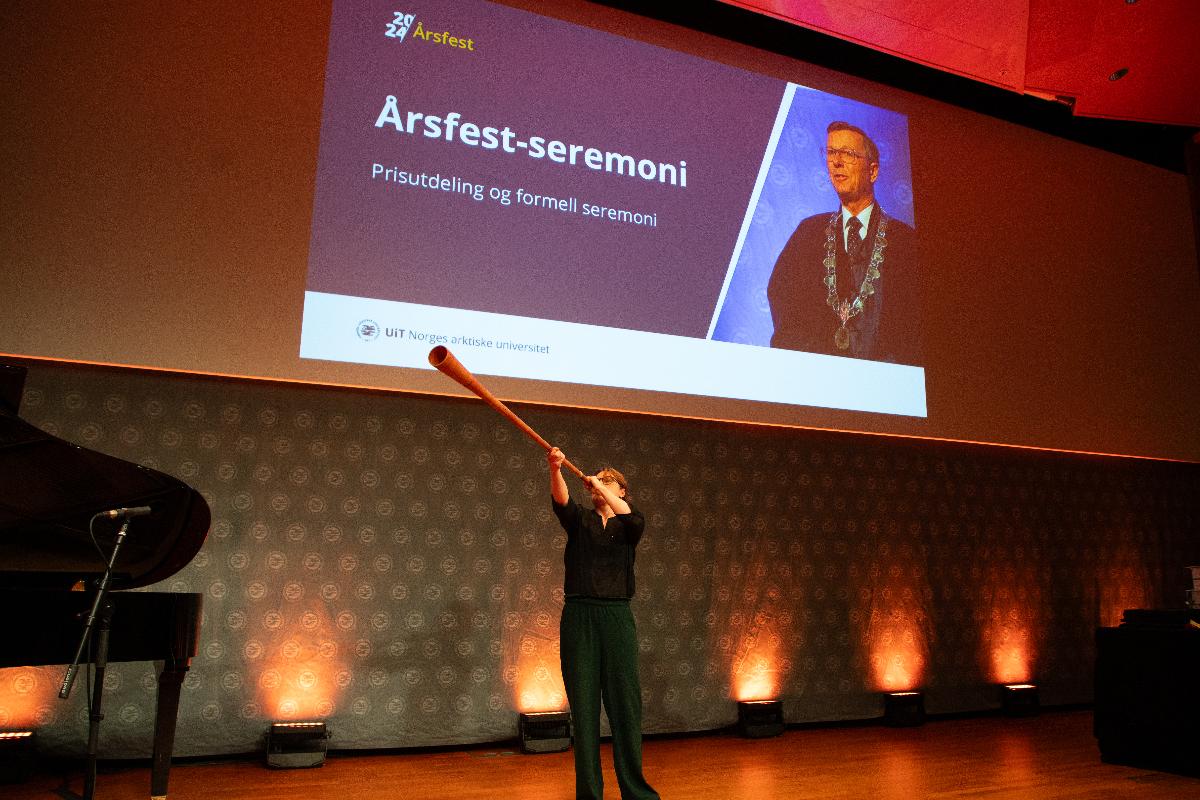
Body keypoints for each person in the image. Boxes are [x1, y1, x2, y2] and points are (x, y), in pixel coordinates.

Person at [547, 446, 659, 800]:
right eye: (595, 484)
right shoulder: (581, 519)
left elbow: (627, 515)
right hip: (580, 617)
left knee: (625, 704)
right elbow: (562, 501)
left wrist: (601, 483)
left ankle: (636, 792)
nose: (598, 487)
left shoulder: (631, 524)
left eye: (609, 483)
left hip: (616, 617)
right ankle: (590, 794)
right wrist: (556, 468)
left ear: (621, 491)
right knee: (584, 708)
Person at [767, 120, 921, 364]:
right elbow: (783, 299)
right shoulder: (808, 234)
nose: (836, 162)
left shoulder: (906, 242)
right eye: (831, 152)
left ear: (873, 171)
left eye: (848, 154)